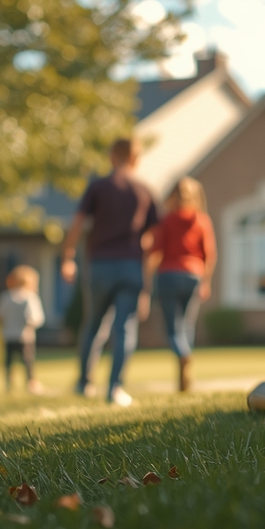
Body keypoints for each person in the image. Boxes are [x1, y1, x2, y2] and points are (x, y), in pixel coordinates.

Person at [61, 138, 158, 407]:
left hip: (101, 265)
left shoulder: (98, 187)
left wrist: (68, 257)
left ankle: (84, 383)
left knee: (94, 325)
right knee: (125, 327)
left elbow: (78, 223)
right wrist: (147, 285)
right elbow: (151, 240)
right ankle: (115, 389)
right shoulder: (145, 191)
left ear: (112, 157)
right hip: (131, 267)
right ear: (136, 159)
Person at [146, 177, 216, 392]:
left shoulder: (167, 220)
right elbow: (210, 255)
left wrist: (147, 280)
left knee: (173, 328)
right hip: (193, 274)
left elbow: (154, 251)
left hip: (168, 275)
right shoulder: (202, 220)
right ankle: (183, 377)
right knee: (186, 325)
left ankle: (183, 355)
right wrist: (206, 281)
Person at [0, 265, 46, 394]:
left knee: (9, 362)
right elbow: (36, 318)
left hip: (8, 335)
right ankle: (30, 383)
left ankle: (8, 384)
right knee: (28, 361)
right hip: (25, 337)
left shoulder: (6, 297)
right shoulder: (30, 297)